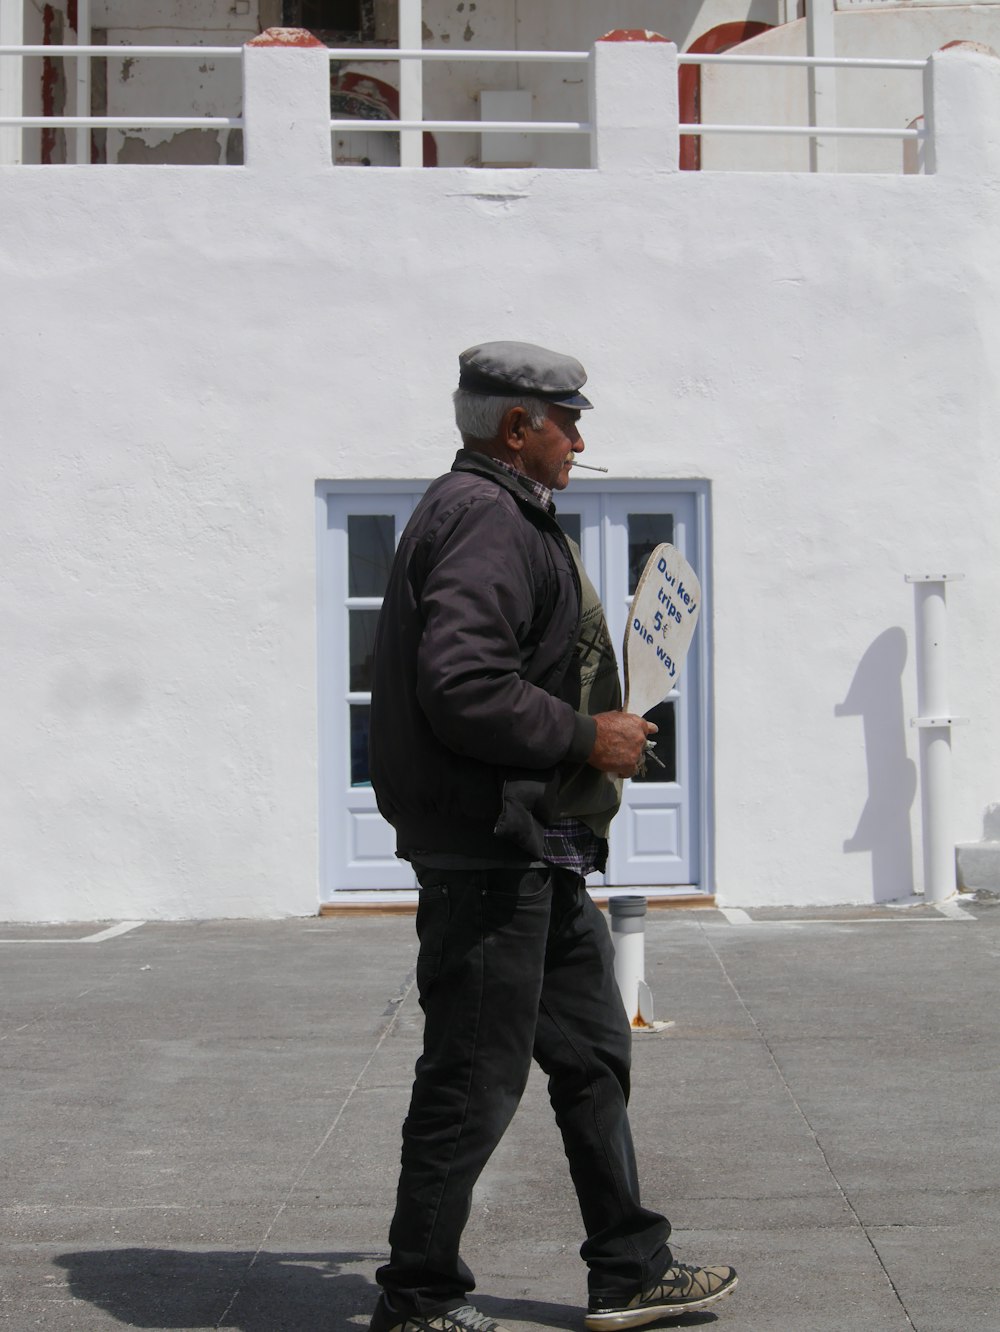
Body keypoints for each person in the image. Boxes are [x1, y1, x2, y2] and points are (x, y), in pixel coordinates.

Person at [367, 341, 737, 1332]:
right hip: (490, 855)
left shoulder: (491, 511)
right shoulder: (486, 518)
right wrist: (586, 733)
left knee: (587, 1058)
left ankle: (630, 1266)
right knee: (471, 1082)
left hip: (537, 849)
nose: (579, 437)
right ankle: (417, 1303)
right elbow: (462, 686)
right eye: (565, 421)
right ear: (515, 428)